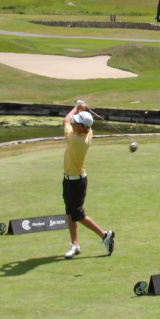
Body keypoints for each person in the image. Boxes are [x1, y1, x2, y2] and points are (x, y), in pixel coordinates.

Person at [62, 101, 115, 259]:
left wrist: (77, 107)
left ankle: (105, 235)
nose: (74, 123)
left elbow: (66, 120)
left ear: (81, 128)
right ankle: (75, 244)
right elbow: (79, 123)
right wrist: (82, 111)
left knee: (77, 214)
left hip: (76, 182)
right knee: (70, 212)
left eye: (77, 123)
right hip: (68, 180)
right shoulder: (87, 132)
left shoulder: (75, 139)